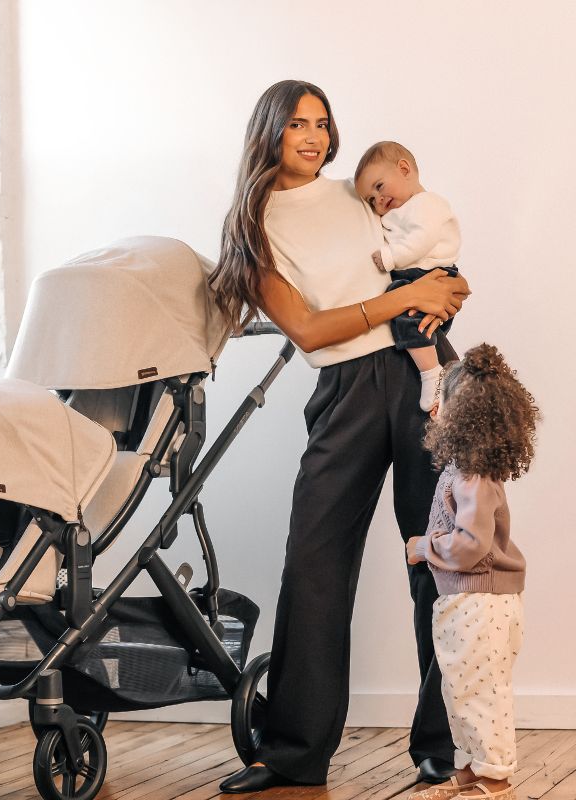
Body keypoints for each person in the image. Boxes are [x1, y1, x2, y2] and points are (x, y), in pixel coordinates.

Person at [209, 80, 471, 793]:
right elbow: (310, 328)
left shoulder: (355, 193)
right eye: (298, 123)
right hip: (348, 388)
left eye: (322, 123)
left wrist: (441, 286)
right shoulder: (254, 223)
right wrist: (404, 296)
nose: (314, 137)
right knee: (315, 564)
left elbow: (423, 258)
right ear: (268, 130)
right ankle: (293, 749)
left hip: (424, 373)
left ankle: (446, 745)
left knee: (440, 556)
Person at [405, 344, 539, 800]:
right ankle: (468, 775)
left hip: (481, 603)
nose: (433, 406)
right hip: (464, 600)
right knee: (459, 690)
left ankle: (496, 779)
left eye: (442, 399)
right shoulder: (461, 470)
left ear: (463, 415)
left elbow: (471, 544)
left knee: (482, 693)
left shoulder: (474, 478)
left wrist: (424, 547)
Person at [354, 141, 462, 411]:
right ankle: (433, 374)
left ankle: (431, 372)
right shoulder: (396, 212)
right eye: (371, 199)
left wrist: (390, 257)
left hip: (431, 274)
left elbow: (421, 240)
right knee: (406, 318)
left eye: (379, 187)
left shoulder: (427, 204)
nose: (378, 199)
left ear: (404, 169)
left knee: (405, 313)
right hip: (418, 275)